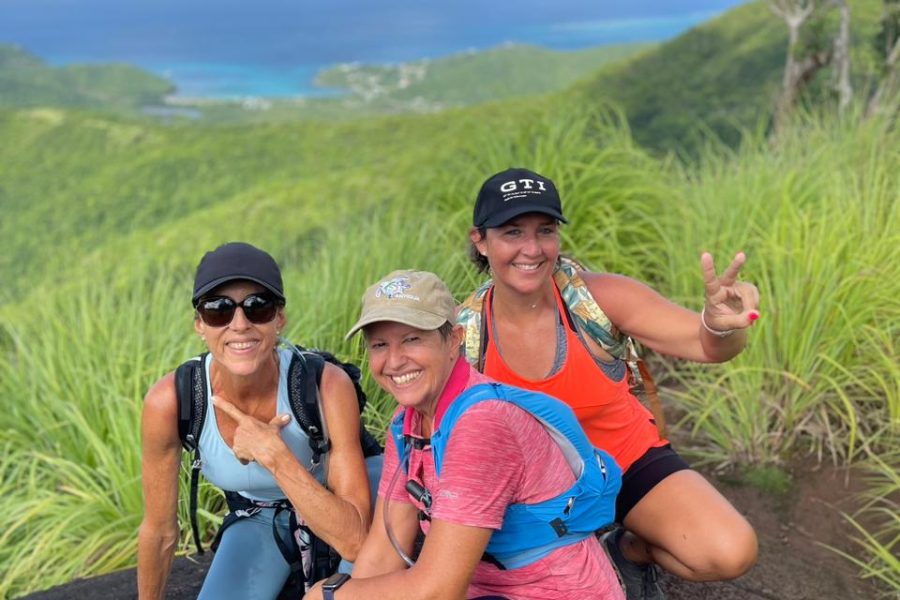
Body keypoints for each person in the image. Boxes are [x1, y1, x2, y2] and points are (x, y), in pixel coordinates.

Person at [462, 168, 759, 599]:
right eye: (512, 232)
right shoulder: (465, 334)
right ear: (481, 241)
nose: (531, 248)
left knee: (730, 551)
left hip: (623, 458)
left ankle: (627, 551)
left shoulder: (596, 301)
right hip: (531, 492)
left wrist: (721, 325)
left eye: (544, 230)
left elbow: (709, 346)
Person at [304, 269, 625, 600]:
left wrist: (328, 595)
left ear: (454, 339)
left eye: (413, 339)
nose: (395, 361)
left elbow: (438, 591)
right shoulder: (407, 424)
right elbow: (386, 550)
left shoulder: (481, 425)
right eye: (380, 344)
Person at [138, 242, 379, 600]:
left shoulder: (324, 385)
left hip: (344, 501)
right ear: (199, 324)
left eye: (257, 307)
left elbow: (354, 541)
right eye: (219, 310)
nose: (239, 325)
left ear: (279, 318)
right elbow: (159, 532)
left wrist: (275, 455)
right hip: (260, 514)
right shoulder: (173, 401)